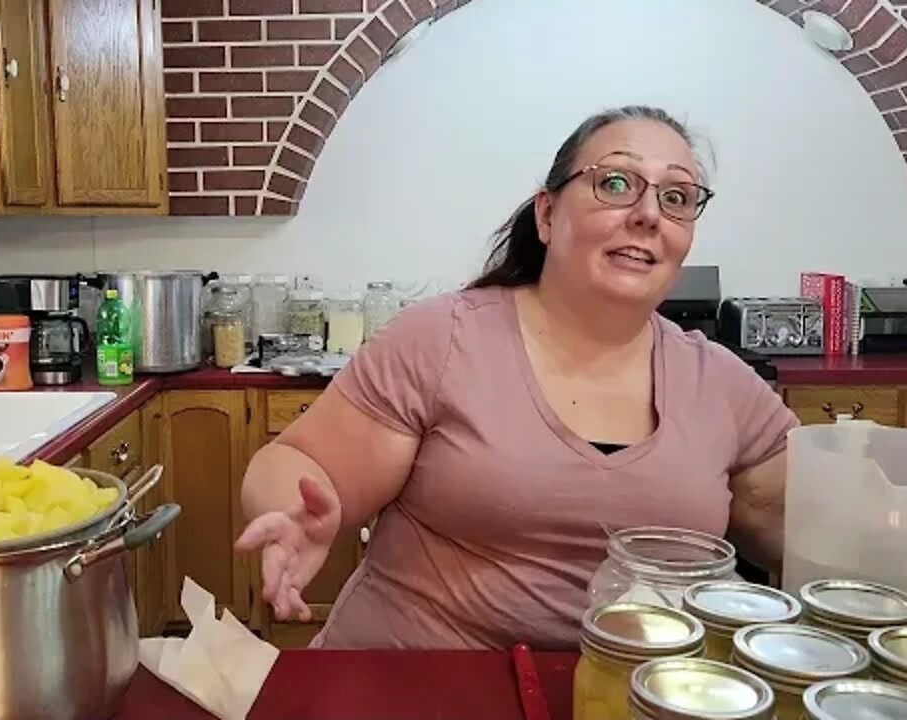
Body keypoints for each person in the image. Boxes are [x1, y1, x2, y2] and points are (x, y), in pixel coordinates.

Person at [234, 105, 799, 650]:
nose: (649, 214)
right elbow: (298, 463)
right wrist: (288, 512)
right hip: (412, 686)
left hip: (622, 695)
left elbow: (813, 531)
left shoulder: (722, 385)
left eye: (675, 197)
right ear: (548, 214)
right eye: (617, 184)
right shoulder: (443, 340)